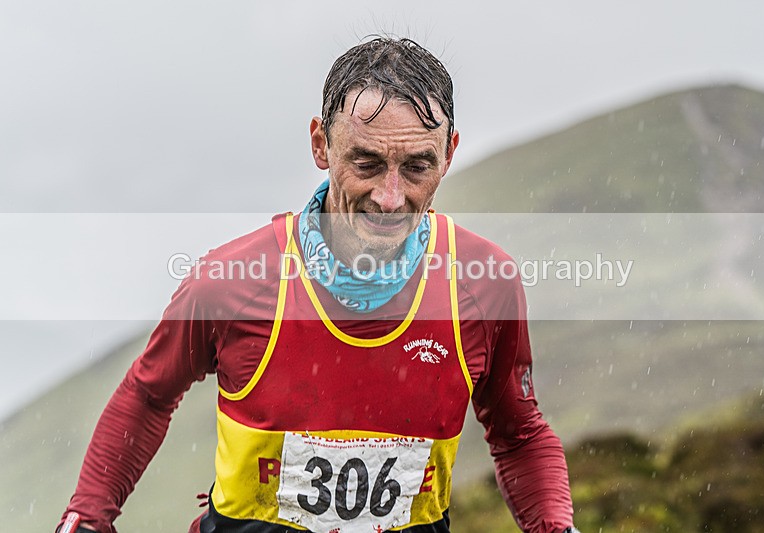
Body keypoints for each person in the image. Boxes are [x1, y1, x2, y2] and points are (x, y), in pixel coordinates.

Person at [57, 37, 579, 533]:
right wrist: (86, 518)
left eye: (418, 166)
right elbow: (148, 396)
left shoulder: (485, 287)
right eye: (366, 163)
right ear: (321, 145)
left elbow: (519, 434)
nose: (391, 198)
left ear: (449, 154)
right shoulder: (234, 280)